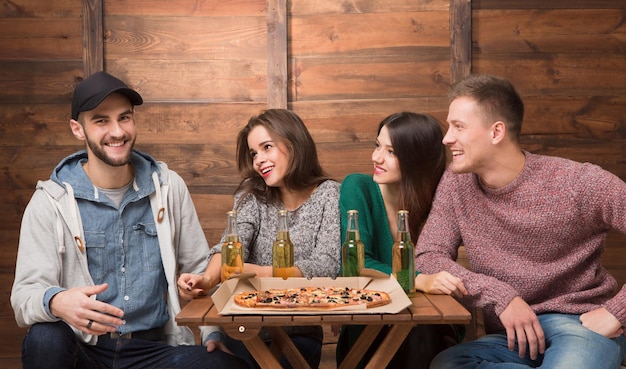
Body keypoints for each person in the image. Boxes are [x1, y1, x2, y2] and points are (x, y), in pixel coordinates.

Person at [10, 71, 248, 369]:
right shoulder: (49, 201)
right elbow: (24, 297)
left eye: (124, 118)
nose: (117, 131)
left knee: (228, 366)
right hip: (85, 351)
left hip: (154, 351)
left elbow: (201, 272)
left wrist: (212, 331)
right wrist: (57, 301)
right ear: (77, 129)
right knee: (44, 337)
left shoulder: (168, 187)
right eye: (101, 121)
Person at [415, 74, 626, 369]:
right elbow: (428, 256)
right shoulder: (456, 183)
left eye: (458, 127)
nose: (446, 138)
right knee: (448, 365)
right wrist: (501, 297)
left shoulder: (578, 182)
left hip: (579, 326)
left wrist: (617, 311)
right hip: (511, 338)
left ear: (496, 132)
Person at [178, 108, 341, 369]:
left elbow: (327, 267)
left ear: (294, 144)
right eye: (254, 153)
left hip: (299, 333)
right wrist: (207, 279)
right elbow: (232, 246)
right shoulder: (252, 193)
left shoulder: (329, 194)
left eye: (267, 147)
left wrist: (256, 272)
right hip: (243, 327)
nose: (258, 160)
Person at [335, 112, 468, 369]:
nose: (376, 157)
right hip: (371, 323)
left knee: (421, 331)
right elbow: (355, 265)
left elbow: (440, 267)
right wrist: (418, 279)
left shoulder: (440, 198)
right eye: (377, 146)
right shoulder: (358, 187)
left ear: (417, 160)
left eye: (391, 151)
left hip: (427, 324)